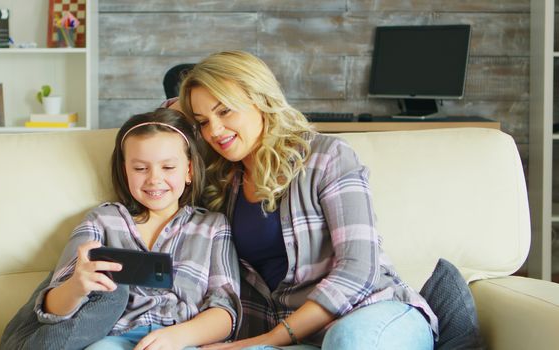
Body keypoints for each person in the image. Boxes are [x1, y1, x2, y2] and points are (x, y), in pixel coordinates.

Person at [172, 51, 438, 349]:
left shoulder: (327, 157)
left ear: (261, 100)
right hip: (293, 335)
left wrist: (271, 339)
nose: (214, 131)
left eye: (225, 111)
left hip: (369, 314)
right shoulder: (220, 185)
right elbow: (159, 148)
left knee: (350, 342)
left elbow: (359, 267)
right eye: (202, 122)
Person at [33, 108, 241, 350]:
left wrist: (178, 337)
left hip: (183, 340)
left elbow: (226, 312)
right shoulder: (102, 220)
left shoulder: (213, 227)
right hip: (113, 339)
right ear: (125, 171)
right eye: (140, 169)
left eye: (168, 168)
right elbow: (50, 310)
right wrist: (76, 287)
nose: (154, 179)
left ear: (189, 171)